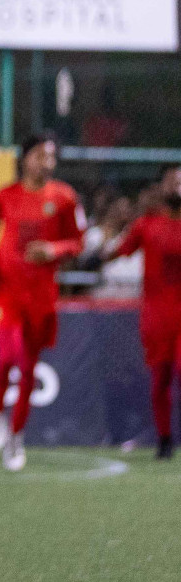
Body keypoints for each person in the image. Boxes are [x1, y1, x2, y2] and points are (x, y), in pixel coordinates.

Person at [0, 134, 86, 471]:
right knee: (8, 354)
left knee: (27, 369)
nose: (45, 162)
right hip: (8, 292)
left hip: (42, 296)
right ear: (25, 159)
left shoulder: (64, 198)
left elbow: (78, 242)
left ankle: (16, 436)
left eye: (50, 157)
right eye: (39, 155)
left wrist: (54, 250)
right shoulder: (5, 196)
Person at [103, 168, 181, 459]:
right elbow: (118, 250)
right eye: (173, 181)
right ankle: (164, 439)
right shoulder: (147, 223)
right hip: (157, 316)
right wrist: (91, 256)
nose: (178, 186)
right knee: (160, 379)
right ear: (162, 187)